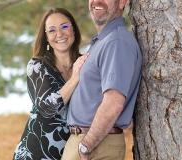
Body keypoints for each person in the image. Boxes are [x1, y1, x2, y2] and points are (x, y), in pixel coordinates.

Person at [61, 0, 142, 160]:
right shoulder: (103, 41)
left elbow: (113, 103)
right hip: (86, 142)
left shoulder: (116, 42)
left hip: (95, 145)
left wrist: (86, 146)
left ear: (122, 2)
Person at [13, 8, 88, 160]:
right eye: (52, 30)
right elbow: (47, 109)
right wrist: (75, 78)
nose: (59, 34)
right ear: (46, 37)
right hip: (36, 151)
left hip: (72, 151)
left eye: (64, 26)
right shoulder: (37, 66)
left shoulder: (85, 63)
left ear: (74, 29)